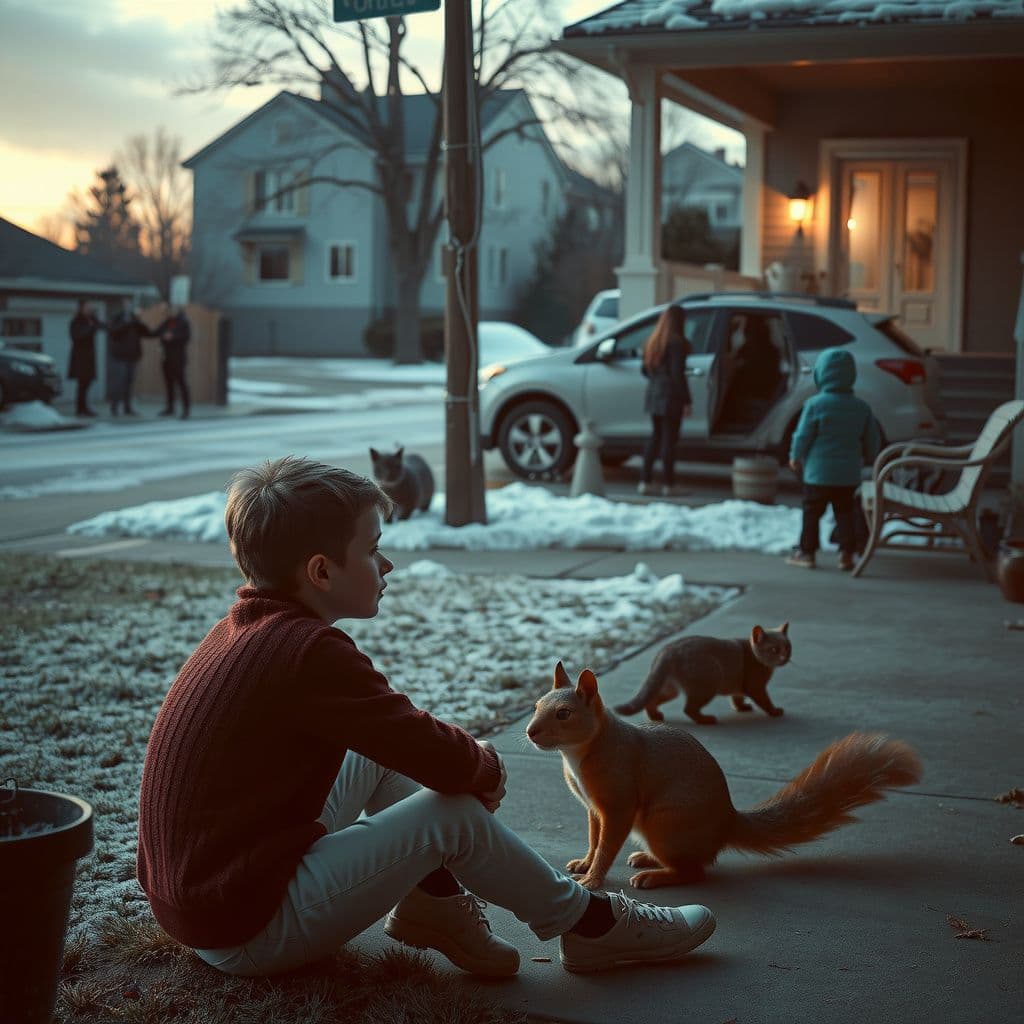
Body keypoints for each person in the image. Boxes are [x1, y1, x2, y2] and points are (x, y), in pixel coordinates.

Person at [137, 456, 716, 978]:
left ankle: (433, 905)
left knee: (377, 755)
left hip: (210, 900)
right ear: (320, 572)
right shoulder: (307, 652)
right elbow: (438, 756)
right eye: (371, 549)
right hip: (245, 928)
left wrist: (465, 767)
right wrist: (486, 769)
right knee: (453, 814)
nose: (386, 563)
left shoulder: (249, 629)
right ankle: (591, 926)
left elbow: (395, 734)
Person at [786, 347, 881, 571]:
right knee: (844, 513)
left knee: (812, 512)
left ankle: (807, 553)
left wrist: (795, 456)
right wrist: (869, 456)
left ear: (821, 374)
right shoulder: (861, 407)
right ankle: (846, 554)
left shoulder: (814, 405)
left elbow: (803, 435)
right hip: (847, 475)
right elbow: (872, 439)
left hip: (817, 474)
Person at [639, 305, 692, 497]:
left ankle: (645, 481)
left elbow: (644, 370)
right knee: (670, 441)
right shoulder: (677, 343)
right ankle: (669, 484)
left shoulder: (653, 342)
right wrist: (686, 400)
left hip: (654, 394)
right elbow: (678, 374)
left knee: (655, 437)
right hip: (671, 396)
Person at [107, 303, 155, 416]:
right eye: (126, 305)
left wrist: (138, 320)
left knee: (129, 383)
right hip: (120, 357)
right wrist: (127, 323)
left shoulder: (135, 322)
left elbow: (147, 332)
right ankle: (114, 407)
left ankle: (127, 408)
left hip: (133, 357)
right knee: (119, 383)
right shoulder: (118, 318)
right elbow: (113, 332)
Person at [67, 299, 105, 416]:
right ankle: (80, 409)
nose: (89, 309)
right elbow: (78, 336)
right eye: (87, 307)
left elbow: (103, 326)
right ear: (81, 308)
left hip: (89, 358)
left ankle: (85, 408)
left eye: (90, 307)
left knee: (87, 384)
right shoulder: (76, 322)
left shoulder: (92, 320)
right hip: (80, 358)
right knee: (82, 384)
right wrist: (91, 327)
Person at [156, 306, 191, 419]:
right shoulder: (166, 323)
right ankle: (170, 408)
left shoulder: (183, 323)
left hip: (178, 358)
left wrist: (173, 337)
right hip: (166, 358)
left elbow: (186, 337)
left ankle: (186, 409)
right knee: (168, 384)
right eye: (169, 311)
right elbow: (157, 332)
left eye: (173, 310)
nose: (170, 312)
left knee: (181, 384)